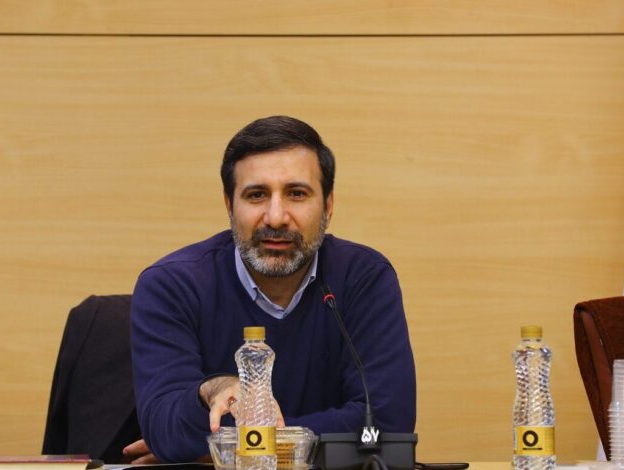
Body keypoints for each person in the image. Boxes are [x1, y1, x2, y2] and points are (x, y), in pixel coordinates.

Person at [127, 115, 416, 463]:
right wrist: (213, 391)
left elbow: (386, 425)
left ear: (328, 205)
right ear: (229, 205)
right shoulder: (171, 285)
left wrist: (225, 449)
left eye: (296, 194)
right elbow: (165, 430)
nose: (276, 217)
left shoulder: (364, 278)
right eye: (256, 195)